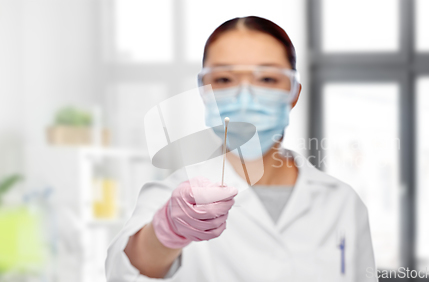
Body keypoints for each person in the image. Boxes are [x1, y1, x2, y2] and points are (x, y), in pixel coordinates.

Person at [106, 16, 377, 281]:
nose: (245, 99)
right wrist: (167, 231)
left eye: (268, 79)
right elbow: (123, 271)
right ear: (204, 91)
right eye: (224, 80)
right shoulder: (173, 198)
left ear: (293, 92)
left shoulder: (342, 203)